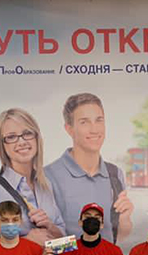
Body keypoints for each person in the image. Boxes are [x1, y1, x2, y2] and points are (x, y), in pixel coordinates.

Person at [0, 108, 67, 245]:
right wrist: (26, 243)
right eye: (11, 137)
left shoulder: (45, 185)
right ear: (2, 145)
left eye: (27, 133)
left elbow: (63, 238)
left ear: (37, 138)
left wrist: (50, 226)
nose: (21, 142)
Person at [45, 92, 133, 244]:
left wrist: (125, 218)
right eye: (84, 122)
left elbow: (119, 235)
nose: (94, 129)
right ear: (69, 129)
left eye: (99, 120)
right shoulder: (48, 176)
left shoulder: (115, 173)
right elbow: (49, 239)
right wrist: (84, 253)